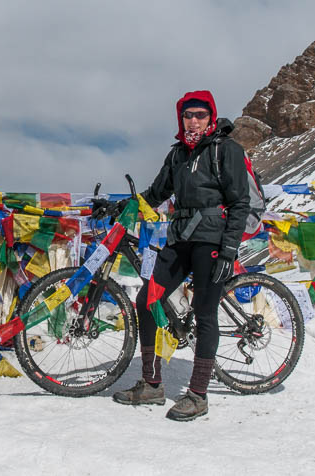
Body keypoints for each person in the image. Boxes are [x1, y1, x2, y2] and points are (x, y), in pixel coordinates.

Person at [112, 90, 251, 421]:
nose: (193, 120)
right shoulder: (177, 156)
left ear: (211, 117)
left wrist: (229, 249)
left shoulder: (225, 150)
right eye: (188, 114)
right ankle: (152, 384)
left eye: (200, 114)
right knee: (147, 301)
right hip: (180, 239)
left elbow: (240, 202)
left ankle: (199, 395)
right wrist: (123, 205)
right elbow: (156, 194)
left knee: (204, 312)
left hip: (212, 241)